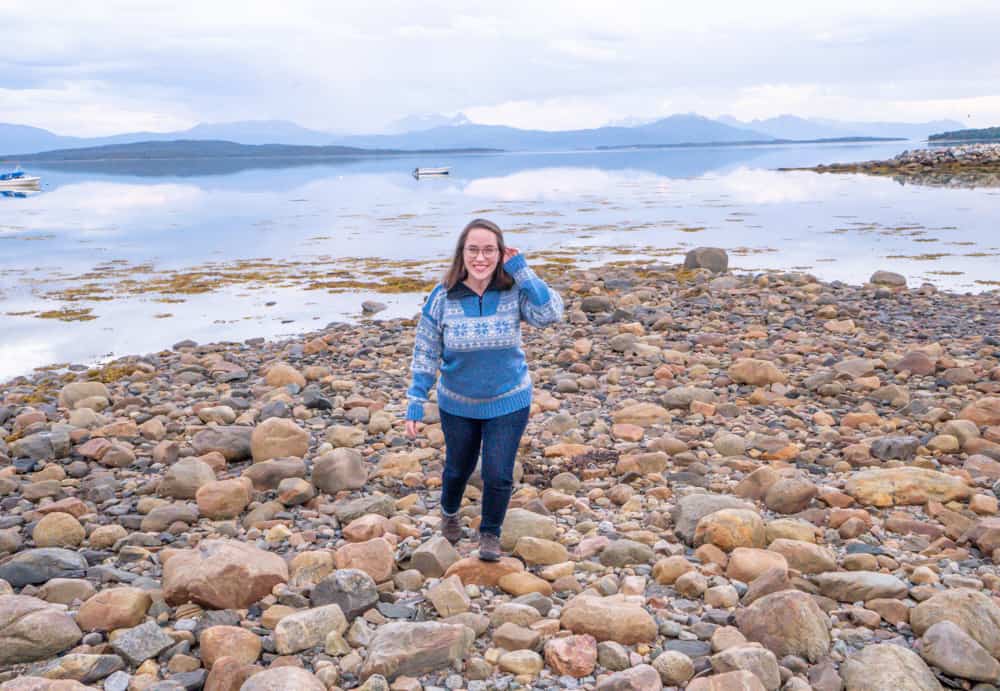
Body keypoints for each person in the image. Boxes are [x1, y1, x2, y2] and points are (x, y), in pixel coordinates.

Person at [405, 218, 564, 561]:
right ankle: (449, 513)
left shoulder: (513, 291)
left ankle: (490, 533)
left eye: (489, 250)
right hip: (457, 403)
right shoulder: (442, 297)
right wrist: (416, 400)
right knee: (457, 469)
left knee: (498, 473)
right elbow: (426, 351)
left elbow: (550, 313)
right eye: (473, 249)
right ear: (462, 253)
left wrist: (522, 270)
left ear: (500, 253)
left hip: (509, 399)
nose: (481, 257)